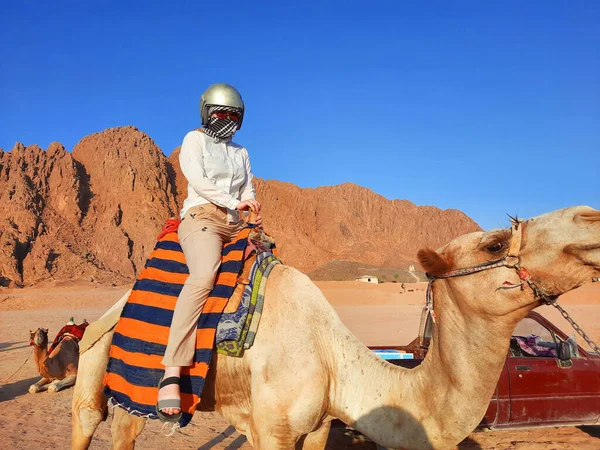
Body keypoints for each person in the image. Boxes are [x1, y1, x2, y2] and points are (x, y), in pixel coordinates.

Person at [156, 83, 261, 421]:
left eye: (233, 114)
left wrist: (250, 204)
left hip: (235, 221)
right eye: (221, 113)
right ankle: (172, 371)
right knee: (204, 275)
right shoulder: (194, 140)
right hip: (202, 217)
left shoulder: (241, 152)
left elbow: (247, 186)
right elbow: (198, 180)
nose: (226, 118)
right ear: (207, 113)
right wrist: (233, 202)